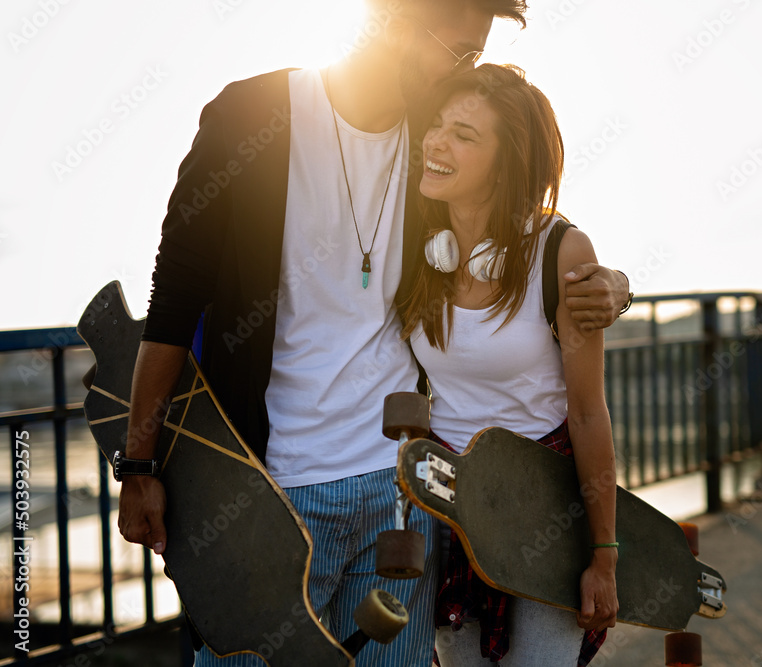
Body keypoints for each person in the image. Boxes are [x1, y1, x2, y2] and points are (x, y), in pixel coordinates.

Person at [115, 1, 631, 666]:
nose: (463, 72)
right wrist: (139, 464)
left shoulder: (429, 135)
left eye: (473, 57)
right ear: (391, 20)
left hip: (401, 499)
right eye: (457, 53)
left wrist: (610, 281)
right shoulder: (250, 117)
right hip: (268, 498)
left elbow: (512, 217)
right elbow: (175, 297)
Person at [400, 64, 619, 666]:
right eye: (438, 125)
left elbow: (587, 412)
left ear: (509, 160)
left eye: (465, 135)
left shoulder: (560, 251)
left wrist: (604, 556)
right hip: (449, 509)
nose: (437, 141)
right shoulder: (421, 246)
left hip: (543, 511)